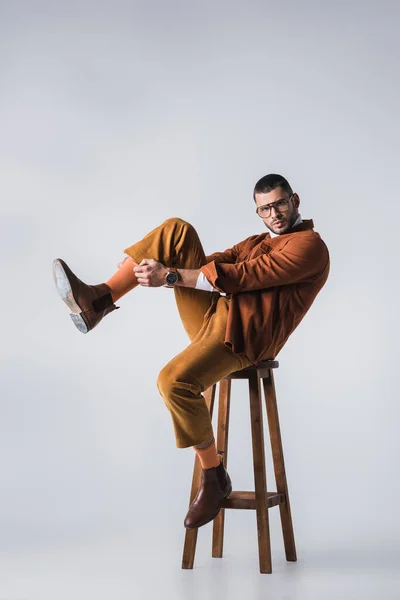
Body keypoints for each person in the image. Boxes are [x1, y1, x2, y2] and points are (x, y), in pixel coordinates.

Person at [52, 173, 330, 530]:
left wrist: (169, 277)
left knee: (172, 381)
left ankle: (214, 476)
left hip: (243, 340)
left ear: (295, 200)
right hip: (214, 316)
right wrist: (154, 262)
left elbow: (243, 276)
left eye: (279, 203)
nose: (274, 213)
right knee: (176, 231)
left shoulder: (309, 246)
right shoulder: (258, 240)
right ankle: (100, 299)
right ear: (258, 212)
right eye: (265, 208)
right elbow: (217, 263)